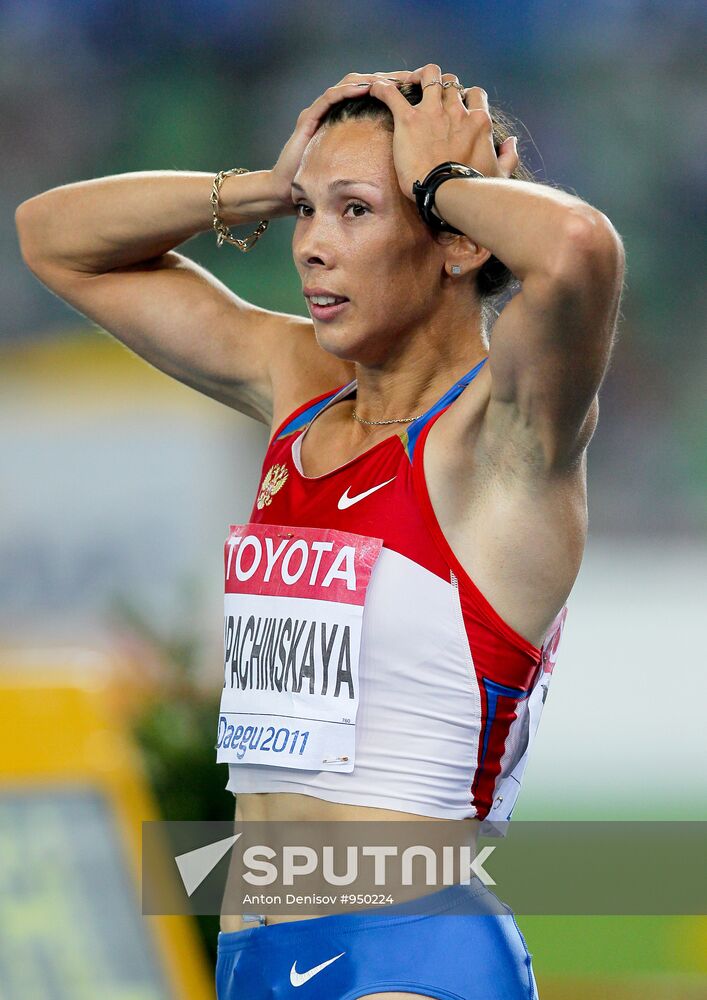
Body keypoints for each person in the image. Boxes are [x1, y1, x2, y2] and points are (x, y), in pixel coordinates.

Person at [16, 63, 625, 1000]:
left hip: (409, 951)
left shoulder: (502, 436)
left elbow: (580, 248)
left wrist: (442, 185)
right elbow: (52, 240)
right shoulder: (295, 382)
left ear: (457, 244)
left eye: (354, 211)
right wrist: (261, 185)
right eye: (307, 212)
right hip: (255, 952)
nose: (309, 246)